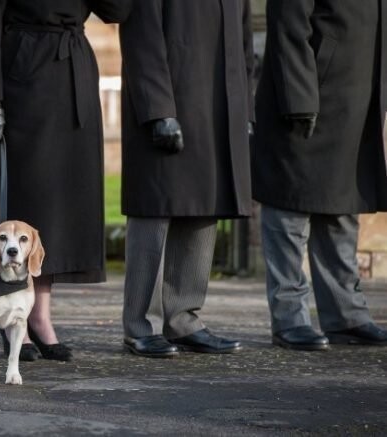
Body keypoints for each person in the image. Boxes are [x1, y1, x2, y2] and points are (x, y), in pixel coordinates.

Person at [0, 0, 132, 361]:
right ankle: (11, 321)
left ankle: (38, 317)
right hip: (23, 83)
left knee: (57, 208)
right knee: (28, 202)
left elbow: (117, 10)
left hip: (73, 79)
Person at [119, 0, 255, 357]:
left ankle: (183, 319)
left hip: (218, 107)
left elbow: (243, 45)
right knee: (154, 210)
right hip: (168, 103)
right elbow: (140, 37)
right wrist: (158, 111)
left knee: (202, 205)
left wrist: (245, 109)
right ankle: (138, 325)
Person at [252, 0, 387, 351]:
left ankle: (346, 316)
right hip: (305, 95)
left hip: (354, 97)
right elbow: (288, 21)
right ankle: (290, 318)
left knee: (341, 207)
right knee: (288, 210)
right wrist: (298, 99)